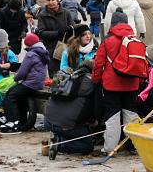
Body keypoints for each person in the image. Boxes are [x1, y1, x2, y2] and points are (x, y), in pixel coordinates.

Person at [91, 10, 142, 155]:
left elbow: (98, 64)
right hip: (132, 84)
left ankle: (110, 148)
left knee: (112, 116)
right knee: (131, 114)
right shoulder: (135, 40)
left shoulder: (107, 41)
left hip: (111, 85)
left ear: (112, 24)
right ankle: (135, 145)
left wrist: (96, 81)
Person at [44, 60, 97, 157]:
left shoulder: (69, 77)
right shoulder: (91, 83)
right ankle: (59, 144)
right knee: (87, 145)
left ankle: (56, 137)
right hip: (66, 125)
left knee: (75, 129)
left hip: (47, 121)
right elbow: (93, 113)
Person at [0, 33, 48, 134]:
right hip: (39, 82)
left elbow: (22, 71)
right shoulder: (42, 52)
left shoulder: (31, 54)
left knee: (10, 95)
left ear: (29, 45)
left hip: (31, 83)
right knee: (18, 96)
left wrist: (15, 79)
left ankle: (13, 122)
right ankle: (22, 121)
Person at [36, 0, 74, 76]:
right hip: (51, 48)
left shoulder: (66, 13)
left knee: (67, 71)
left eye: (53, 0)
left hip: (65, 46)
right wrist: (57, 33)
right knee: (54, 73)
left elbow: (73, 27)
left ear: (58, 0)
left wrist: (70, 30)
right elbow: (41, 33)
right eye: (48, 0)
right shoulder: (42, 15)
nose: (50, 2)